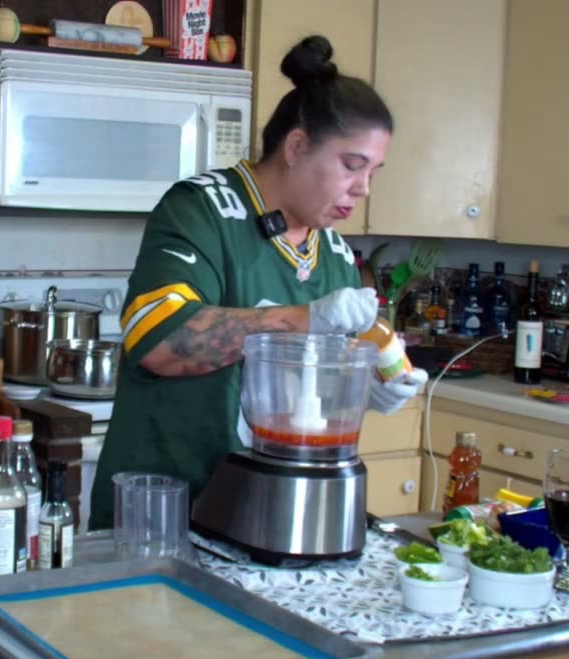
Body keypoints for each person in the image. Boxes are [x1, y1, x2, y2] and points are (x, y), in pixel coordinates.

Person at [89, 35, 429, 530]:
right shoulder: (200, 210)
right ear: (296, 147)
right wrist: (304, 320)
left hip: (270, 520)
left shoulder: (333, 253)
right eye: (352, 166)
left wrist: (366, 384)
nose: (364, 188)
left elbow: (308, 391)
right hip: (163, 517)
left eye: (374, 172)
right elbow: (160, 342)